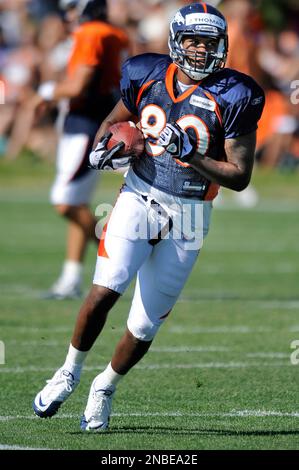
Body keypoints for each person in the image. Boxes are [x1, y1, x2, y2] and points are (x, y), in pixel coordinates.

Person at [33, 2, 265, 430]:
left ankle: (104, 385)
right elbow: (114, 120)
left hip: (193, 213)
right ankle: (68, 371)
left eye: (209, 42)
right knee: (108, 286)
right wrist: (105, 147)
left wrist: (190, 154)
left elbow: (239, 176)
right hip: (139, 195)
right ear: (177, 40)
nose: (200, 50)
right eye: (193, 41)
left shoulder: (236, 94)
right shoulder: (146, 73)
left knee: (144, 324)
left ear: (223, 45)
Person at [32, 0, 129, 299]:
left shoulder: (91, 32)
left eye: (71, 9)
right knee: (78, 201)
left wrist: (46, 92)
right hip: (90, 121)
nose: (67, 16)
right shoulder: (113, 33)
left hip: (87, 124)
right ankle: (71, 278)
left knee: (64, 201)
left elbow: (78, 86)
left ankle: (122, 249)